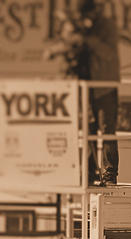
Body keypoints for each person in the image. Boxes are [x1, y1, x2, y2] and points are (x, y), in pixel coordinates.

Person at [46, 0, 120, 185]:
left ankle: (109, 174)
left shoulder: (107, 26)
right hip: (84, 88)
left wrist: (88, 40)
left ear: (95, 12)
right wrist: (61, 46)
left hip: (104, 86)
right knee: (87, 130)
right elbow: (64, 46)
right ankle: (89, 173)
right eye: (81, 16)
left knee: (107, 130)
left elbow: (108, 54)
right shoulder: (76, 27)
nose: (85, 19)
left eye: (87, 15)